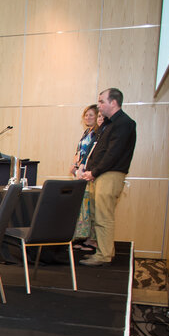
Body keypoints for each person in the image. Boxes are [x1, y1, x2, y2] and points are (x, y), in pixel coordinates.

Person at [81, 88, 136, 267]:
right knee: (97, 214)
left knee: (104, 216)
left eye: (101, 102)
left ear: (113, 102)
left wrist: (94, 172)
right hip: (100, 174)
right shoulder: (108, 124)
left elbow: (113, 154)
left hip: (109, 174)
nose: (99, 105)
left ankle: (103, 255)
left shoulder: (124, 123)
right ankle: (105, 251)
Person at [71, 104, 100, 249]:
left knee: (91, 207)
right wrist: (74, 165)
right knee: (83, 207)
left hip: (90, 174)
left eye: (91, 115)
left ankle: (92, 239)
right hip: (80, 173)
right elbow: (79, 151)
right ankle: (84, 237)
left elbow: (91, 154)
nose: (88, 117)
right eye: (86, 115)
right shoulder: (86, 132)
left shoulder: (97, 133)